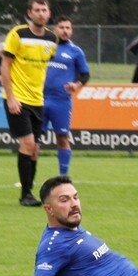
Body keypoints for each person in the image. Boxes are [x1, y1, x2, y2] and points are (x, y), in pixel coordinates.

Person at [2, 0, 60, 207]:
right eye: (37, 10)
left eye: (44, 10)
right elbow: (5, 65)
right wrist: (10, 97)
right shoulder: (18, 34)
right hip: (18, 99)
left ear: (49, 13)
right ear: (29, 13)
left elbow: (43, 68)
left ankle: (30, 192)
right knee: (26, 144)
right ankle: (25, 195)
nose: (41, 13)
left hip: (37, 100)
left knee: (35, 148)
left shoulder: (52, 39)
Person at [43, 16, 90, 175]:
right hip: (39, 99)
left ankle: (63, 176)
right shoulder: (45, 47)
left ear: (71, 30)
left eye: (68, 28)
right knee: (32, 140)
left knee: (62, 138)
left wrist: (76, 85)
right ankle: (27, 179)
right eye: (62, 27)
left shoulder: (75, 51)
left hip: (61, 101)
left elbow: (85, 75)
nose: (65, 31)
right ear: (54, 29)